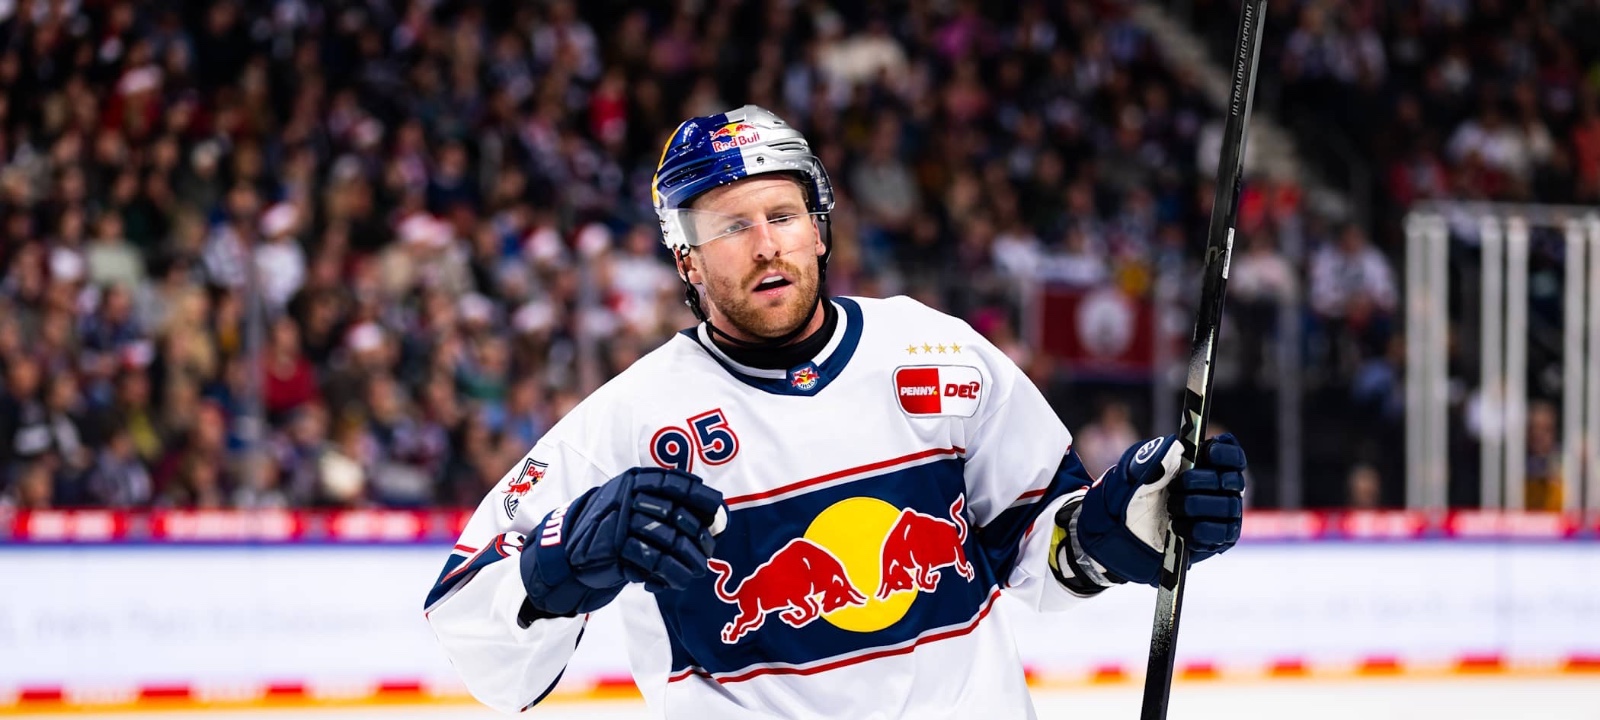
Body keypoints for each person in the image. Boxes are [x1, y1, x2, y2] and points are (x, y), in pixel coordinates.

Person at [423, 106, 1248, 718]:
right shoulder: (630, 419)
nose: (765, 243)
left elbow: (1044, 547)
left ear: (818, 230)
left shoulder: (937, 353)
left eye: (782, 216)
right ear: (687, 260)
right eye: (729, 226)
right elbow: (472, 630)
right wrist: (558, 564)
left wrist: (1128, 524)